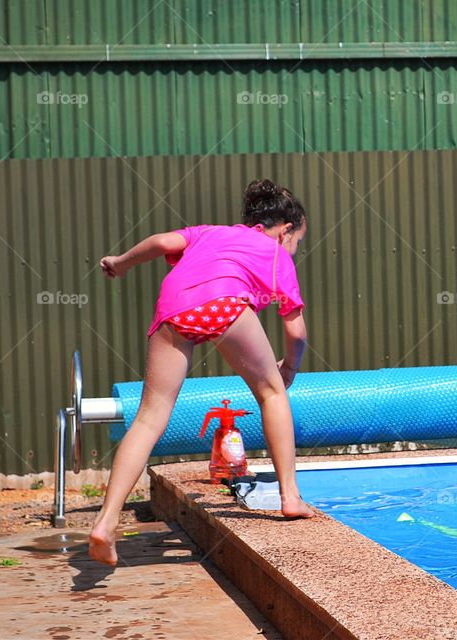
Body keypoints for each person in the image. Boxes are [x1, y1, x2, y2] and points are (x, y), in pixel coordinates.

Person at [89, 179, 315, 567]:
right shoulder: (276, 254)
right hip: (224, 304)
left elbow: (161, 243)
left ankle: (106, 523)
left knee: (148, 417)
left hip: (173, 309)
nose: (293, 248)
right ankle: (290, 497)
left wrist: (121, 263)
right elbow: (295, 331)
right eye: (296, 240)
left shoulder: (208, 233)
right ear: (283, 230)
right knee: (272, 392)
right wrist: (290, 367)